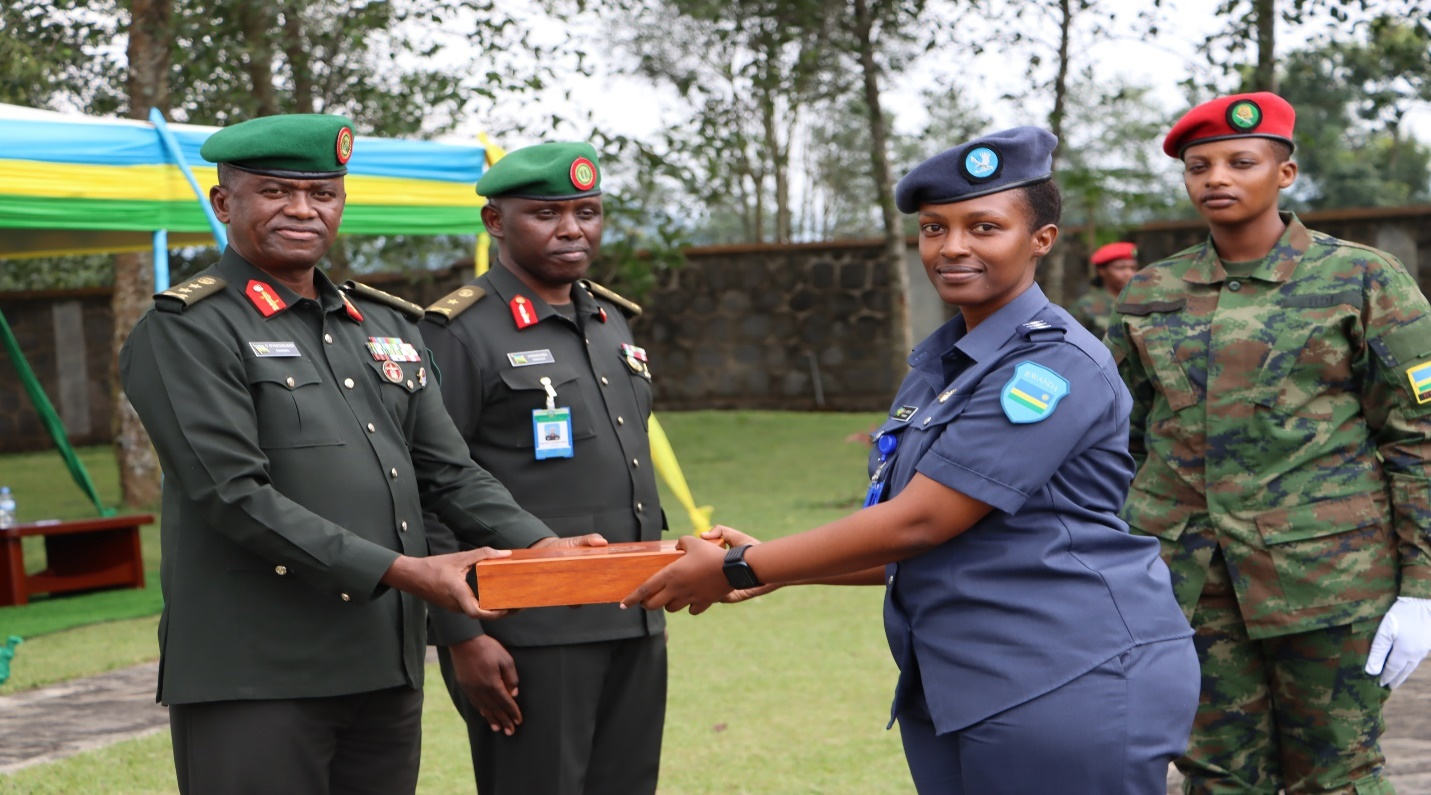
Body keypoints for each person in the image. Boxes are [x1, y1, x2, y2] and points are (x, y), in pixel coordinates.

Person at [622, 127, 1199, 794]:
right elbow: (916, 536)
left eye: (984, 227)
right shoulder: (943, 366)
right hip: (965, 682)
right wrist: (774, 564)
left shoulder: (1049, 366)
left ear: (1040, 239)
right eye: (933, 228)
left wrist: (741, 566)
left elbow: (922, 521)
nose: (952, 247)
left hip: (1068, 676)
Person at [119, 114, 602, 795]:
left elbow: (447, 471)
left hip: (382, 664)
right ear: (224, 203)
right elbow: (230, 494)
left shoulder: (381, 324)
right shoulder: (188, 329)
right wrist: (408, 571)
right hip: (257, 670)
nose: (303, 210)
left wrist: (541, 546)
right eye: (276, 192)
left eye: (322, 193)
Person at [1104, 92, 1431, 793]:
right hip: (1189, 585)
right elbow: (1120, 442)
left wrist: (1423, 589)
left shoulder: (1362, 278)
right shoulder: (1150, 293)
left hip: (1329, 584)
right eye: (1199, 166)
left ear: (1284, 174)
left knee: (1337, 776)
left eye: (1240, 162)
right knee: (1214, 776)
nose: (1216, 178)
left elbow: (1419, 439)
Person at [420, 141, 667, 795]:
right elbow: (427, 483)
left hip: (634, 608)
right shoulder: (460, 330)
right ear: (495, 222)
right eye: (545, 213)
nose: (571, 229)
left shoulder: (611, 321)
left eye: (586, 211)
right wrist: (461, 636)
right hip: (526, 629)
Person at [1068, 240, 1138, 338]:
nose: (1128, 273)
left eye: (1133, 268)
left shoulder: (1143, 301)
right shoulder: (1086, 306)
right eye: (1120, 268)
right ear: (1102, 271)